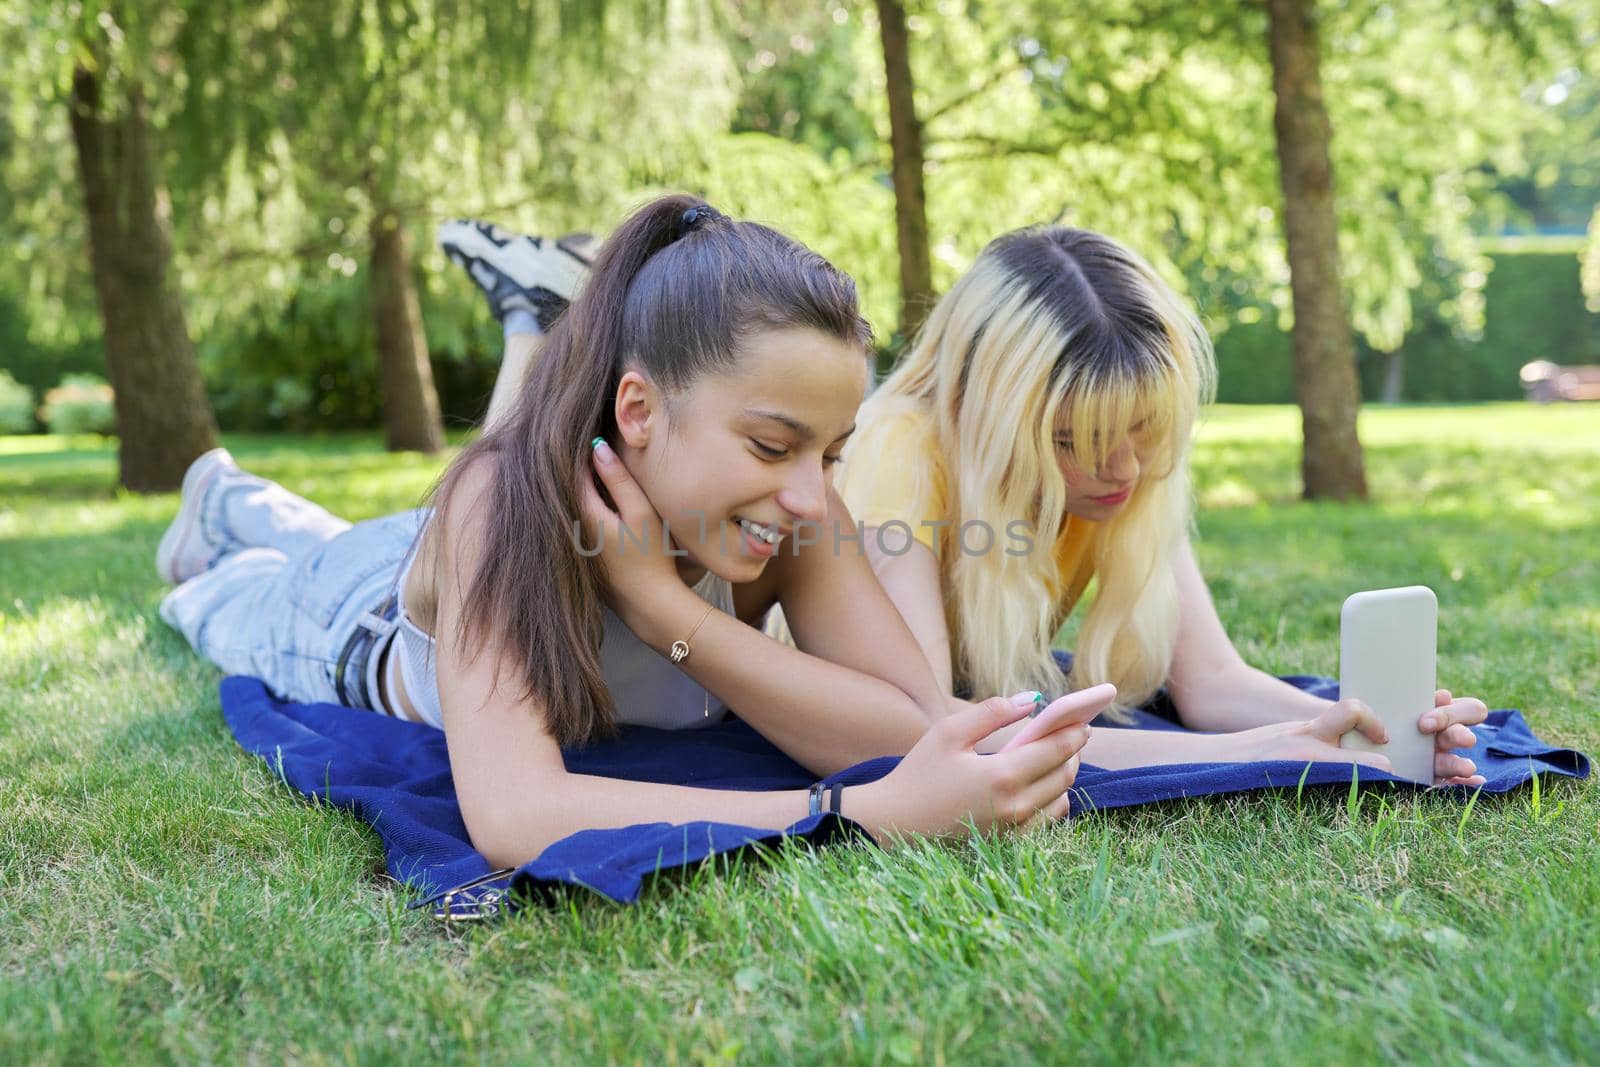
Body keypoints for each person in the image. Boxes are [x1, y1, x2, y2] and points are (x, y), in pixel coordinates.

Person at [155, 196, 1100, 869]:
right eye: (773, 444)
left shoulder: (789, 501)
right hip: (339, 621)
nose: (812, 496)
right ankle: (219, 499)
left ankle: (248, 497)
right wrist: (849, 812)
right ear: (639, 411)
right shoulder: (501, 506)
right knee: (224, 582)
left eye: (832, 452)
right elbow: (518, 816)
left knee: (376, 523)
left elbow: (912, 721)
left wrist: (663, 611)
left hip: (441, 553)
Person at [835, 225, 1489, 785]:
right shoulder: (899, 449)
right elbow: (932, 729)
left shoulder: (1129, 471)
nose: (1123, 469)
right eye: (1072, 441)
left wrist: (1366, 731)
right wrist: (1251, 751)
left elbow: (1210, 681)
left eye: (1144, 428)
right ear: (987, 419)